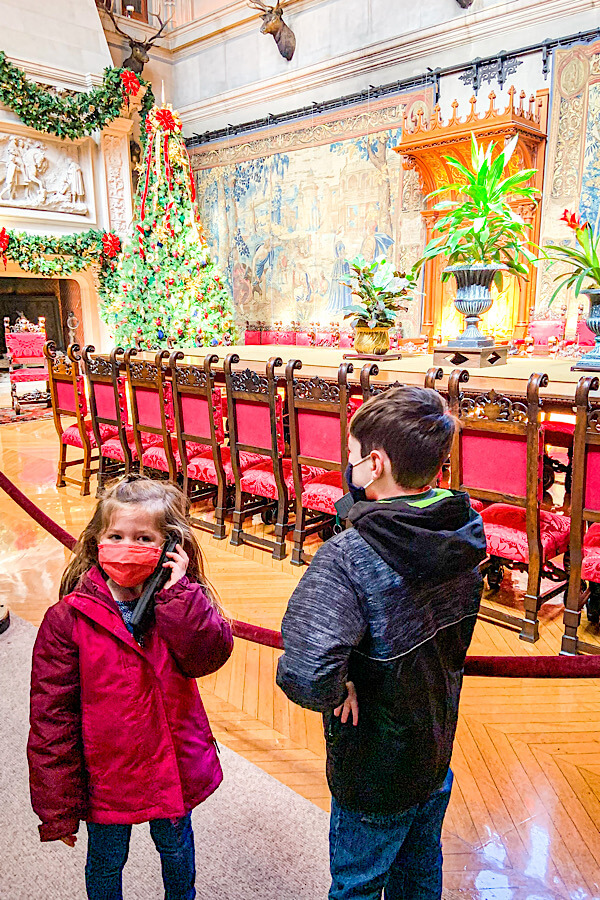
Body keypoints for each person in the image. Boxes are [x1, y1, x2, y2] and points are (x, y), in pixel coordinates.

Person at [276, 387, 487, 900]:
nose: (348, 467)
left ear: (375, 463)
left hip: (372, 759)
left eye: (353, 457)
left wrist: (334, 688)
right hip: (433, 736)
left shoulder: (348, 557)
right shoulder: (464, 525)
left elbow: (305, 670)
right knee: (419, 869)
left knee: (359, 882)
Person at [27, 474, 234, 900]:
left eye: (143, 537)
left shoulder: (178, 603)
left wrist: (180, 596)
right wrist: (57, 809)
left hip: (171, 763)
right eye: (116, 535)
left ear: (169, 548)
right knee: (106, 860)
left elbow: (207, 656)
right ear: (97, 540)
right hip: (107, 774)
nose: (127, 546)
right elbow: (51, 720)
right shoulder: (66, 621)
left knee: (177, 852)